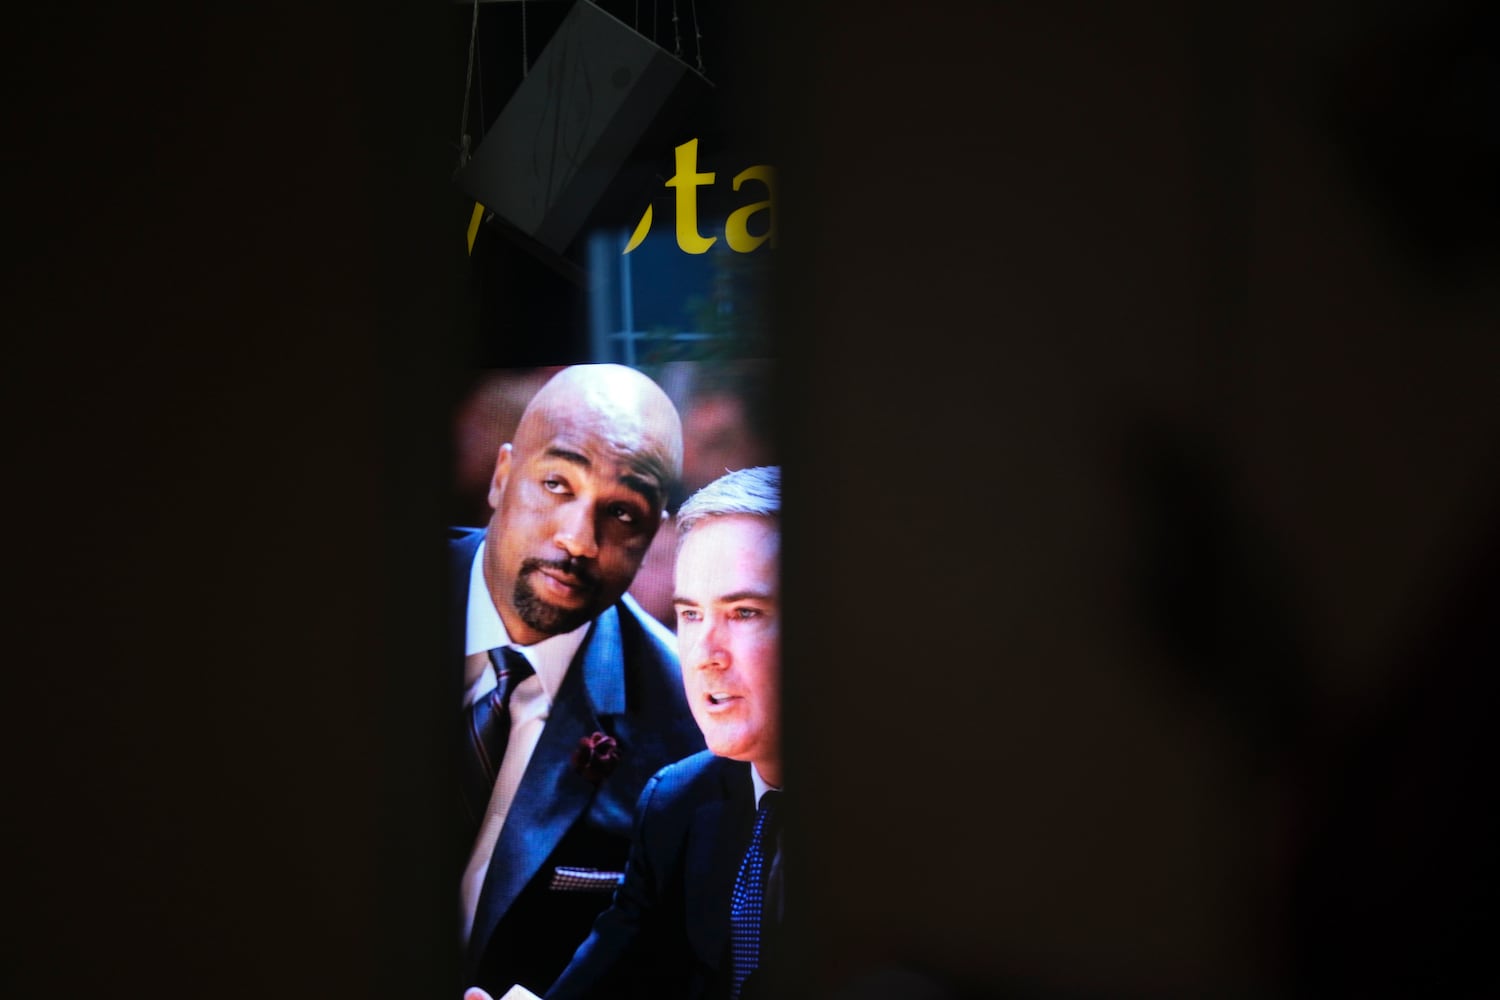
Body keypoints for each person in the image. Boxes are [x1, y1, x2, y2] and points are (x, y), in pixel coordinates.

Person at [468, 465, 785, 1000]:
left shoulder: (917, 820)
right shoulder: (677, 804)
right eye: (690, 614)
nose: (705, 654)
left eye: (744, 612)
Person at [454, 364, 706, 995]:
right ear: (502, 475)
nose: (579, 540)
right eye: (557, 484)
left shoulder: (689, 717)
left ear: (654, 534)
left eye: (623, 513)